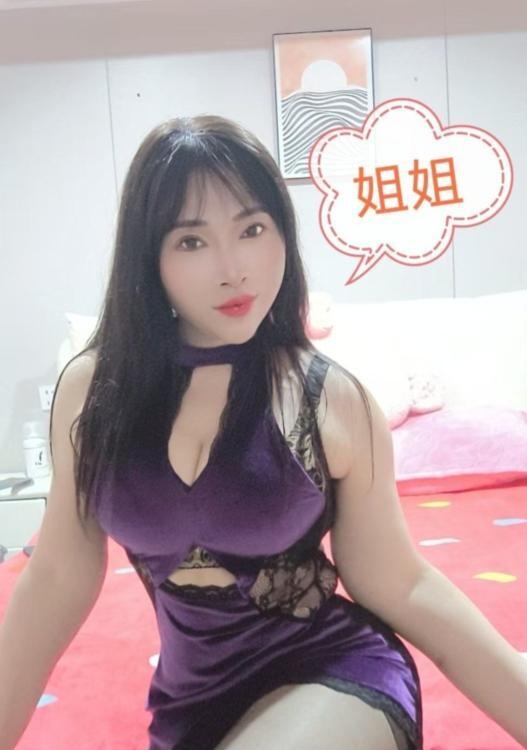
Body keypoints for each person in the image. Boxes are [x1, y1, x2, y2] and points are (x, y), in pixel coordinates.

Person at [0, 115, 526, 750]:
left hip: (333, 674)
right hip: (188, 706)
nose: (234, 270)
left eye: (252, 229)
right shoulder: (93, 392)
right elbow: (55, 577)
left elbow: (401, 583)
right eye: (191, 242)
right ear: (150, 257)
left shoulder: (330, 400)